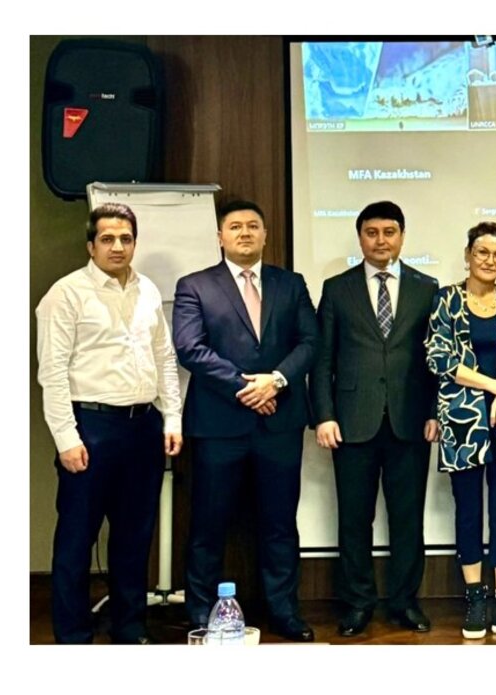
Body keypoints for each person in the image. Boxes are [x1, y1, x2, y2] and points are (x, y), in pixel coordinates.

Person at [36, 203, 183, 644]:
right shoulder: (66, 294)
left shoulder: (147, 290)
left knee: (134, 538)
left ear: (135, 243)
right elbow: (52, 373)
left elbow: (164, 358)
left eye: (125, 238)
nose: (117, 246)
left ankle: (129, 629)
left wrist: (172, 417)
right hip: (90, 427)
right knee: (76, 540)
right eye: (107, 239)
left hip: (143, 426)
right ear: (91, 245)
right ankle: (73, 638)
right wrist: (66, 438)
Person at [173, 199, 318, 642]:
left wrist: (276, 381)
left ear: (265, 234)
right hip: (219, 426)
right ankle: (202, 614)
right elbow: (190, 348)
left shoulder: (290, 284)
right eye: (235, 226)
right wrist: (247, 387)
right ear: (220, 237)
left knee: (280, 525)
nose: (245, 233)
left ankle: (284, 611)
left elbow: (310, 341)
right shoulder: (195, 286)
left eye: (253, 226)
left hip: (279, 424)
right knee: (208, 525)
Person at [310, 201, 439, 636]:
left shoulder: (427, 288)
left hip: (410, 421)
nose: (380, 240)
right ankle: (357, 603)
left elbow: (436, 359)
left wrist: (434, 412)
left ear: (402, 236)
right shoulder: (336, 288)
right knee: (354, 520)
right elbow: (322, 359)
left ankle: (404, 602)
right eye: (371, 232)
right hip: (351, 423)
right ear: (360, 237)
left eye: (389, 232)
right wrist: (324, 415)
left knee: (408, 520)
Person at [425, 222, 496, 640]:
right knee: (469, 510)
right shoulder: (446, 300)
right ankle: (475, 597)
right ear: (468, 255)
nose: (490, 260)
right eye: (482, 252)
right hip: (463, 422)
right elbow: (439, 358)